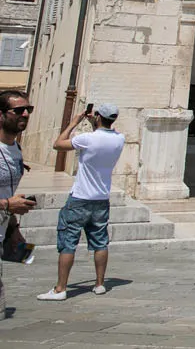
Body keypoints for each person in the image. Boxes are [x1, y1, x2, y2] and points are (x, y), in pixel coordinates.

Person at [39, 103, 127, 301]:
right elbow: (105, 133)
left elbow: (58, 144)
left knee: (68, 243)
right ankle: (99, 284)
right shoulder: (119, 139)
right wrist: (95, 121)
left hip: (80, 197)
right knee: (100, 242)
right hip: (101, 199)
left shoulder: (87, 139)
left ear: (97, 116)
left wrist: (75, 122)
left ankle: (61, 288)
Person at [0, 91, 36, 318]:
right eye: (18, 110)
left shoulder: (16, 150)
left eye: (28, 110)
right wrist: (6, 204)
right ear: (1, 115)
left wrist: (13, 228)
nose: (25, 114)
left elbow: (7, 193)